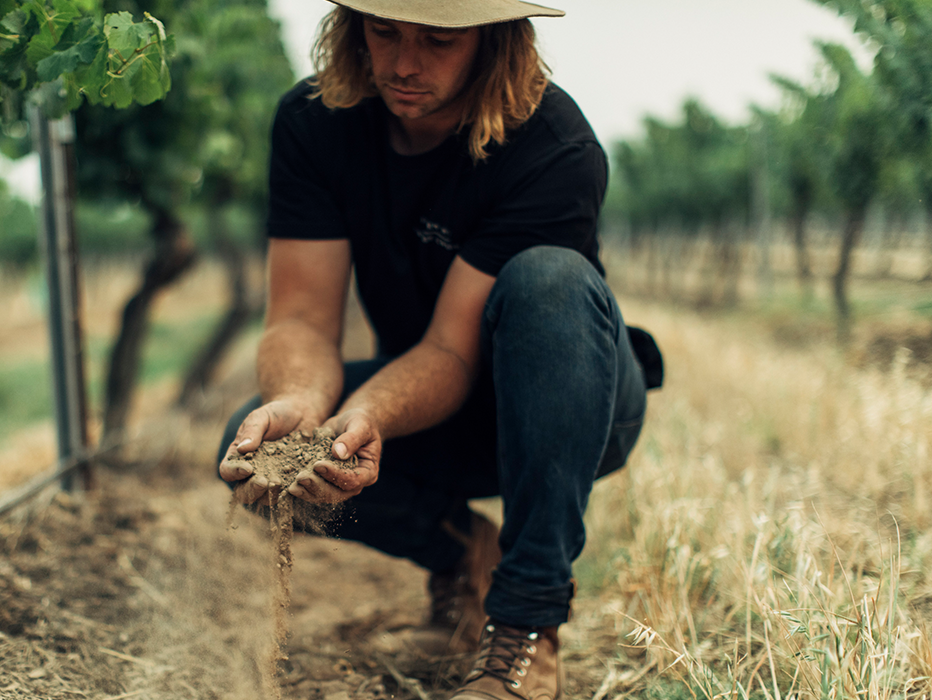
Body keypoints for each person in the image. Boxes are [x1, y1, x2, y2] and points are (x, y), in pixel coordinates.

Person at [218, 0, 662, 697]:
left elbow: (453, 351)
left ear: (495, 40)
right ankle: (464, 560)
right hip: (439, 405)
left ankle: (525, 628)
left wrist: (369, 415)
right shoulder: (314, 122)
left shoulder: (552, 146)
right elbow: (301, 316)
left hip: (573, 403)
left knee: (549, 279)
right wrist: (308, 406)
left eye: (439, 40)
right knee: (263, 451)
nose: (403, 63)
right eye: (384, 30)